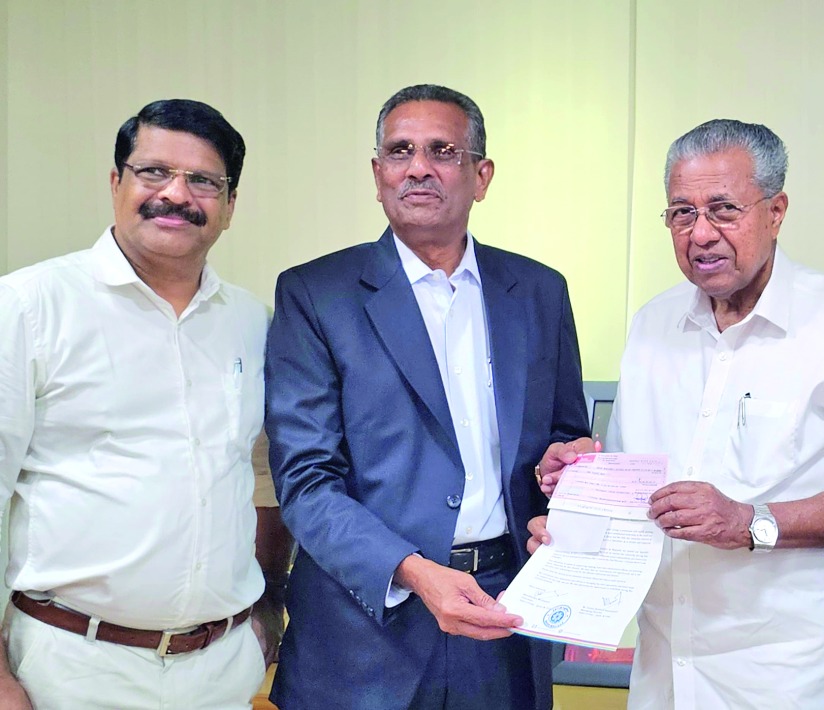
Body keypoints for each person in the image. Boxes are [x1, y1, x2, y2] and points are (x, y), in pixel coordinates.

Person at [532, 119, 824, 708]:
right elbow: (640, 488)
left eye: (723, 209)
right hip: (666, 667)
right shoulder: (653, 326)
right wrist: (577, 495)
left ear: (776, 210)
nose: (700, 233)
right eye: (681, 213)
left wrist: (749, 521)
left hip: (794, 673)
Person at [264, 84, 591, 710]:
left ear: (481, 175)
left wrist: (562, 469)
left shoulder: (539, 291)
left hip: (504, 613)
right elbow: (306, 481)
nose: (418, 167)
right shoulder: (317, 294)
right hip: (364, 629)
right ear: (377, 173)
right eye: (399, 151)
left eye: (443, 150)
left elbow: (562, 436)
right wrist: (415, 572)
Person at [0, 99, 288, 709]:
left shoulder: (250, 322)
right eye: (154, 171)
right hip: (71, 669)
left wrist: (267, 607)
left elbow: (262, 478)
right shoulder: (28, 307)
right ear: (116, 183)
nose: (176, 194)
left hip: (224, 669)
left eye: (204, 180)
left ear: (229, 206)